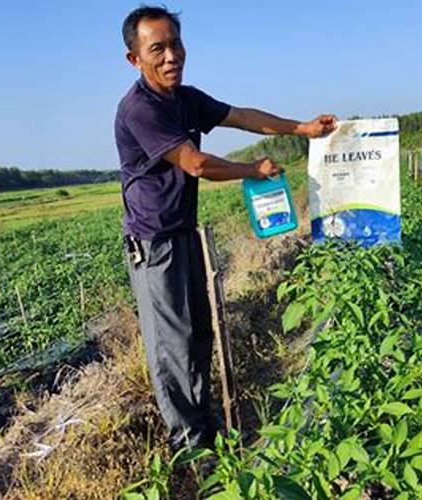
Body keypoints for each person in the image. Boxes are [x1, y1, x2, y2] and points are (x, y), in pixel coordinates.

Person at [114, 5, 336, 451]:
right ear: (135, 59)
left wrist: (302, 128)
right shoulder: (139, 109)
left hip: (184, 232)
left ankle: (205, 426)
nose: (171, 56)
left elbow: (243, 116)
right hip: (154, 243)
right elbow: (195, 164)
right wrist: (251, 168)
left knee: (197, 334)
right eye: (157, 48)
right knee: (172, 346)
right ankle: (192, 449)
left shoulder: (186, 98)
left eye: (175, 44)